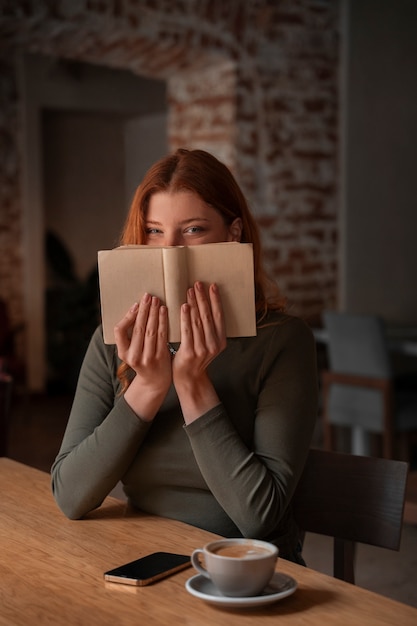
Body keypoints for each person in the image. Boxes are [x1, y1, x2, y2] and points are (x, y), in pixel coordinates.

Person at [51, 148, 318, 564]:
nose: (168, 251)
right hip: (147, 559)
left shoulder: (283, 341)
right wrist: (151, 384)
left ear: (233, 234)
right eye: (155, 231)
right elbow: (70, 496)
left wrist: (192, 382)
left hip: (244, 572)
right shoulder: (113, 338)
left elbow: (258, 518)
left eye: (192, 230)